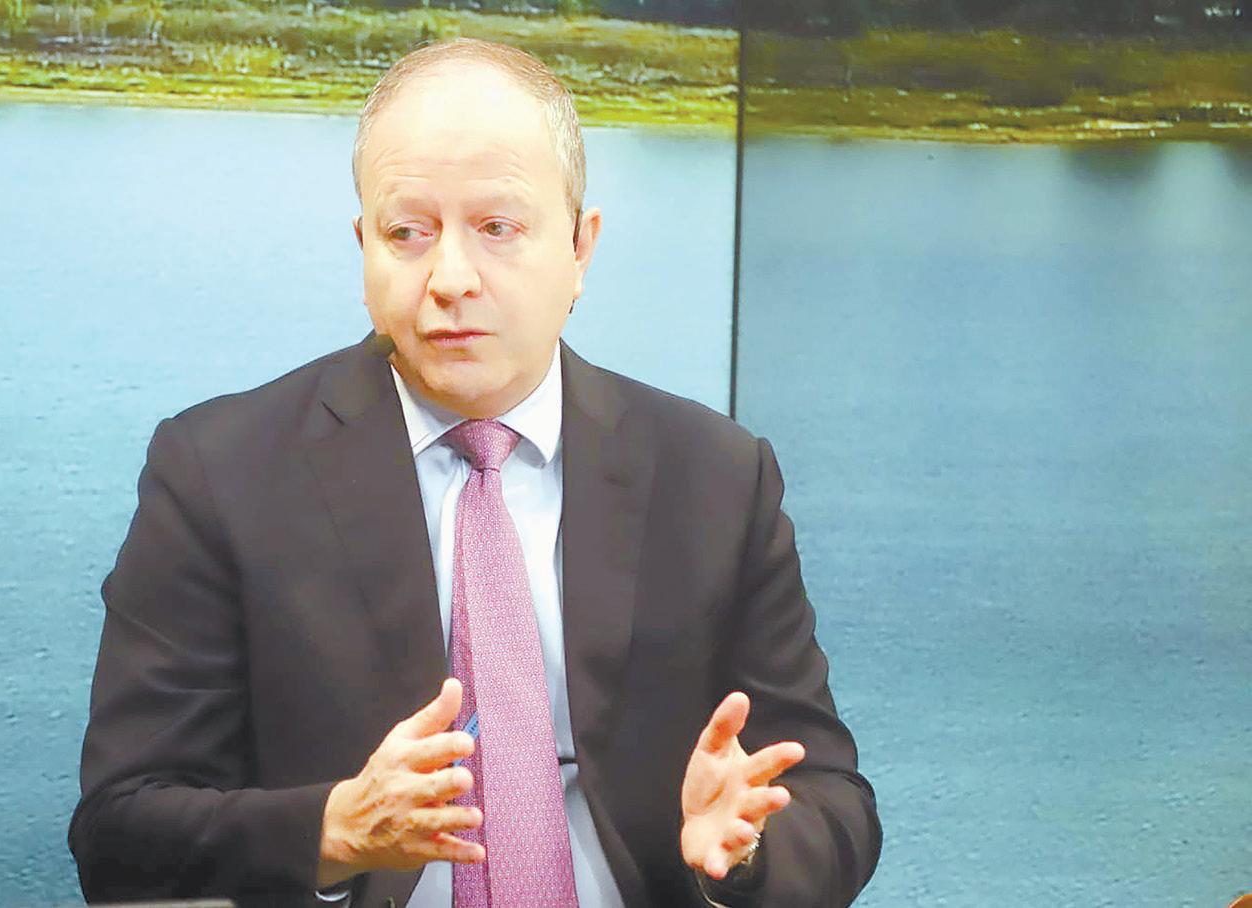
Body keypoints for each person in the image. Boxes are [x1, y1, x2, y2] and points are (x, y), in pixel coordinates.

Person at [69, 38, 881, 908]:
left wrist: (749, 853)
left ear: (580, 248)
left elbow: (836, 805)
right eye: (407, 234)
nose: (451, 279)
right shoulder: (220, 472)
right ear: (363, 249)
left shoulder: (714, 478)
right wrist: (330, 833)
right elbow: (120, 832)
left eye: (497, 229)